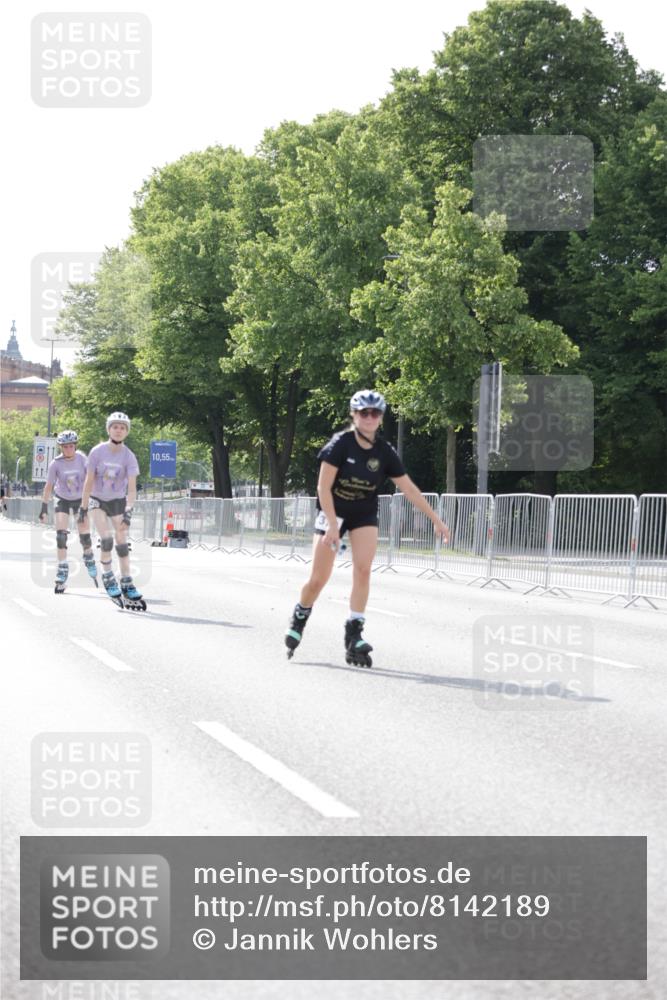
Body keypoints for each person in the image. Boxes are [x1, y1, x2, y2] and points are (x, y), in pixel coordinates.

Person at [284, 389, 450, 667]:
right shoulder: (340, 445)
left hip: (362, 512)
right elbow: (323, 487)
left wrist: (436, 519)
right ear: (354, 415)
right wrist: (332, 526)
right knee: (318, 579)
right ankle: (300, 614)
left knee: (363, 570)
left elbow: (408, 488)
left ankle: (354, 633)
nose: (369, 418)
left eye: (375, 413)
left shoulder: (384, 451)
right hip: (332, 511)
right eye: (364, 413)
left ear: (381, 417)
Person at [79, 411, 145, 610]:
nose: (119, 430)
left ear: (126, 432)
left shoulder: (129, 456)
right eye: (115, 427)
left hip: (117, 500)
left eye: (123, 428)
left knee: (122, 541)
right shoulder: (97, 452)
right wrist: (83, 507)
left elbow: (132, 488)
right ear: (109, 429)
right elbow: (88, 481)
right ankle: (107, 574)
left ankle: (126, 580)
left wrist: (129, 510)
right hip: (97, 499)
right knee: (106, 539)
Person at [39, 430, 97, 593]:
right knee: (60, 535)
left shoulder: (82, 459)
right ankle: (62, 569)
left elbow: (91, 478)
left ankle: (88, 556)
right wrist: (43, 508)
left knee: (84, 534)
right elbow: (48, 487)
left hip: (80, 499)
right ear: (61, 448)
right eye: (65, 447)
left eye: (71, 446)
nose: (69, 449)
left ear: (75, 446)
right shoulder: (55, 463)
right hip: (62, 499)